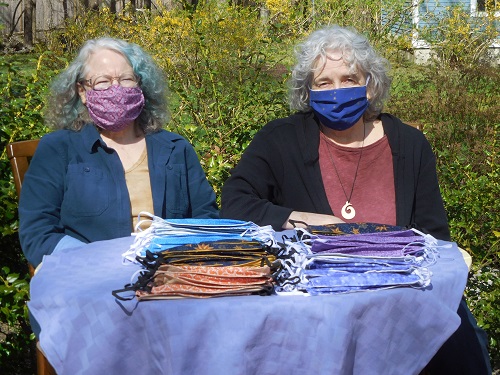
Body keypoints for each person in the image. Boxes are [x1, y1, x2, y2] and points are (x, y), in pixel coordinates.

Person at [221, 26, 491, 374]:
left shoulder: (409, 145)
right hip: (316, 319)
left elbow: (435, 238)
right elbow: (235, 203)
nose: (337, 91)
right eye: (323, 83)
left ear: (371, 84)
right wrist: (300, 218)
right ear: (308, 91)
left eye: (349, 78)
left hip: (400, 311)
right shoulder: (280, 140)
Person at [19, 37, 218, 269]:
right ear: (82, 91)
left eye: (126, 79)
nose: (116, 89)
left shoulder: (175, 148)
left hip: (170, 277)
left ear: (140, 86)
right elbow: (38, 232)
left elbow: (207, 220)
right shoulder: (58, 149)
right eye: (102, 81)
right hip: (90, 281)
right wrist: (100, 263)